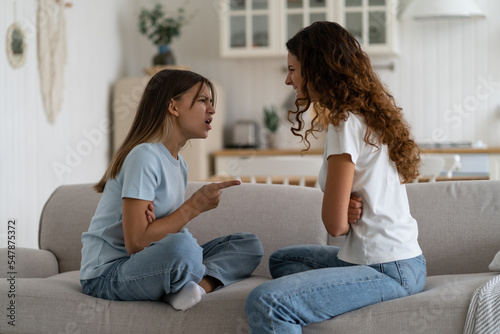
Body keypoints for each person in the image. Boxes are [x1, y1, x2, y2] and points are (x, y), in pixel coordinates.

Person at [245, 21, 426, 333]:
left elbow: (336, 226)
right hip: (405, 261)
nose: (288, 80)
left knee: (265, 301)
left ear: (316, 70)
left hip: (386, 268)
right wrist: (346, 207)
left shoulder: (344, 123)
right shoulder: (368, 115)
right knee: (283, 261)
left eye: (293, 70)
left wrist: (343, 211)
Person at [80, 69, 264, 311]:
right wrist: (194, 206)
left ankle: (195, 288)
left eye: (211, 102)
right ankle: (182, 284)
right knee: (183, 248)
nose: (212, 109)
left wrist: (160, 231)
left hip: (148, 263)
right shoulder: (144, 156)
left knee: (248, 245)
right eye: (202, 101)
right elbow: (136, 243)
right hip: (107, 274)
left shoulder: (180, 165)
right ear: (173, 107)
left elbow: (159, 235)